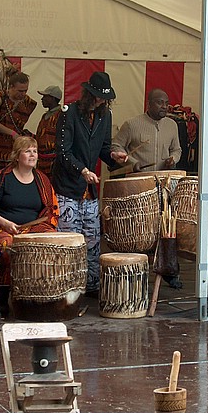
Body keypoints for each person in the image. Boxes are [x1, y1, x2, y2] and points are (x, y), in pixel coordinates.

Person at [52, 71, 128, 297]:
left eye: (104, 98)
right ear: (87, 94)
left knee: (93, 238)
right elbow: (63, 152)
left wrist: (114, 155)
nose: (100, 101)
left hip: (89, 187)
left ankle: (92, 286)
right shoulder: (70, 113)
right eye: (96, 96)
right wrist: (82, 170)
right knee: (71, 238)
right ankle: (69, 287)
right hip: (68, 184)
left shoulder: (106, 115)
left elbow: (104, 147)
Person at [0, 136, 59, 317]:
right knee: (7, 247)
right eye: (27, 151)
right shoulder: (1, 178)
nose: (32, 155)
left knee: (50, 244)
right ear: (17, 155)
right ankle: (3, 300)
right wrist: (6, 223)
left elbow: (50, 211)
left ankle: (39, 299)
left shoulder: (42, 180)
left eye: (35, 151)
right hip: (5, 228)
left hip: (33, 228)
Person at [111, 88, 181, 172]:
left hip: (163, 180)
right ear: (149, 104)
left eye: (166, 103)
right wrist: (132, 163)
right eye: (159, 102)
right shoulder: (131, 124)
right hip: (138, 179)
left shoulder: (172, 125)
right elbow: (116, 146)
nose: (164, 107)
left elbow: (176, 150)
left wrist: (173, 159)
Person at [0, 72, 37, 165]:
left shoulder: (29, 103)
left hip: (15, 147)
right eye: (20, 91)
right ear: (11, 87)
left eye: (25, 90)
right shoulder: (0, 97)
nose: (23, 94)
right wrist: (13, 133)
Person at [34, 85, 63, 178]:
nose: (42, 99)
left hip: (53, 162)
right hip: (41, 161)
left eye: (45, 97)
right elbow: (41, 137)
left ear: (53, 98)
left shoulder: (61, 116)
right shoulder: (45, 116)